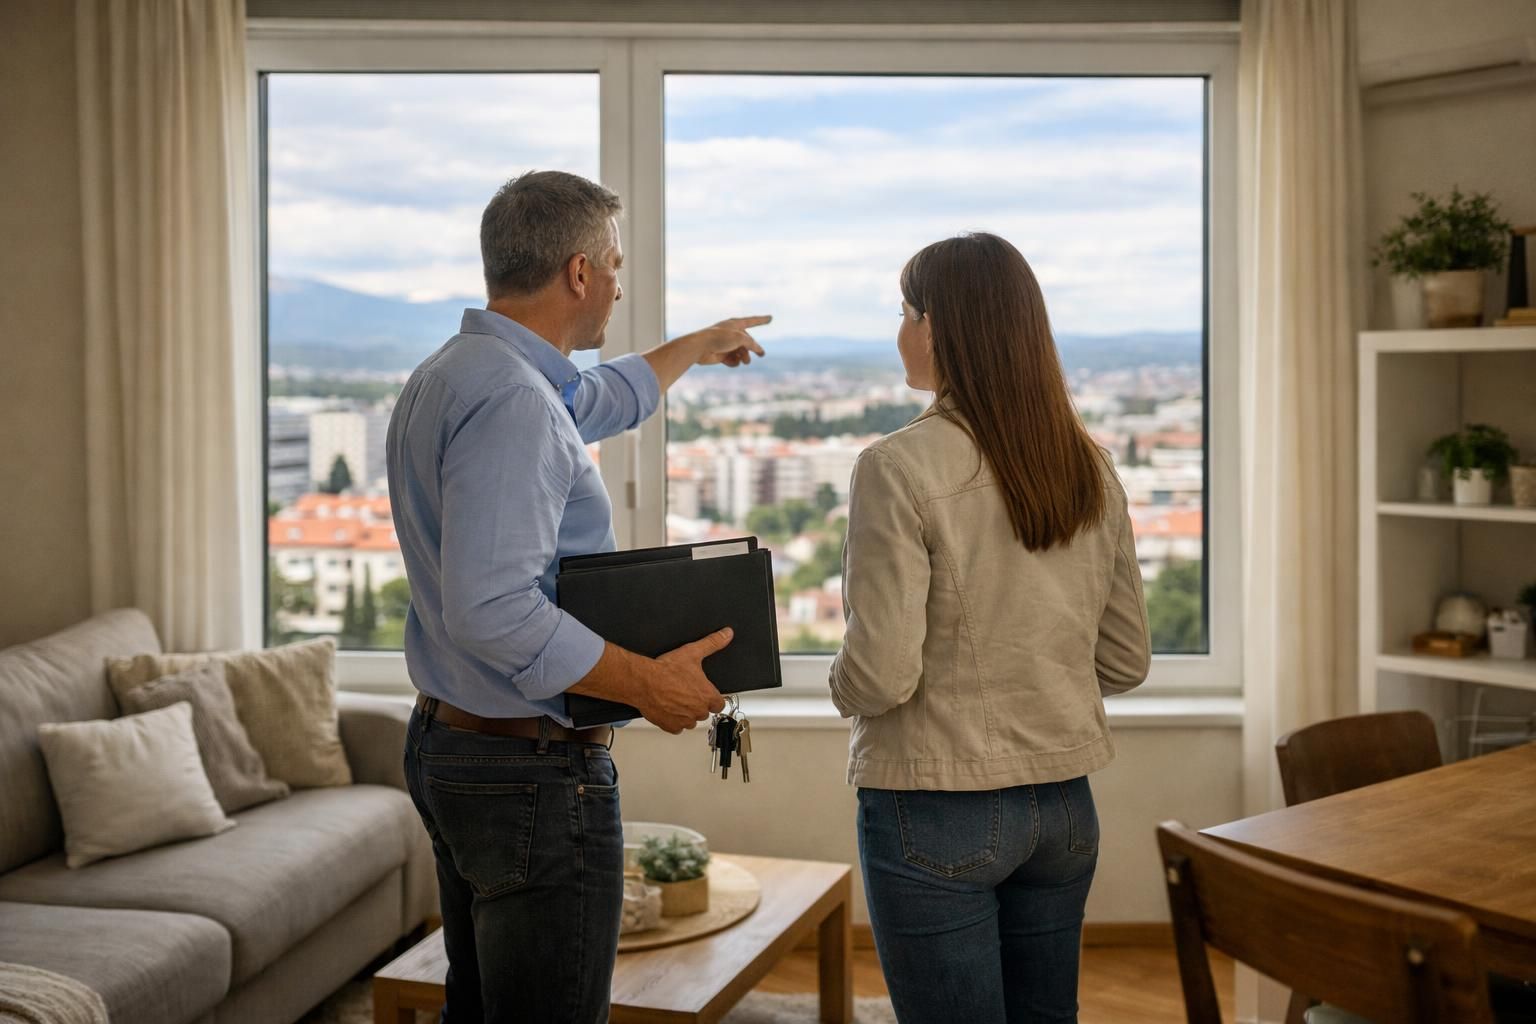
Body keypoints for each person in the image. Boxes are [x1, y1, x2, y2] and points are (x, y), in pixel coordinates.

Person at [386, 169, 770, 1023]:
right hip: (524, 771)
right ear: (578, 273)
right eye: (615, 264)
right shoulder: (515, 401)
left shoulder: (463, 372)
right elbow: (492, 608)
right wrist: (648, 682)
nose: (621, 283)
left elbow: (596, 402)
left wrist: (696, 345)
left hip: (460, 744)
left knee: (485, 1005)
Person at [828, 232, 1151, 1024]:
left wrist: (838, 683)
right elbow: (1126, 659)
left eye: (905, 312)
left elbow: (879, 677)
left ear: (938, 328)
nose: (898, 330)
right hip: (1065, 808)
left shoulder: (898, 466)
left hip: (938, 802)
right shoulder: (1088, 463)